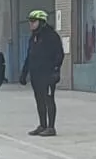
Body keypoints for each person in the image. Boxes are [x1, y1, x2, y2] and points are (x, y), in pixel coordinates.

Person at [21, 9, 65, 137]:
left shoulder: (51, 36)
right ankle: (42, 125)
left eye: (33, 21)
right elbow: (29, 56)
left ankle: (51, 127)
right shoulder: (33, 37)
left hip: (48, 74)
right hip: (36, 75)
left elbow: (59, 54)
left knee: (48, 99)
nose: (31, 24)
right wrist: (24, 73)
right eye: (30, 21)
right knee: (39, 100)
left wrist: (56, 71)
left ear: (41, 22)